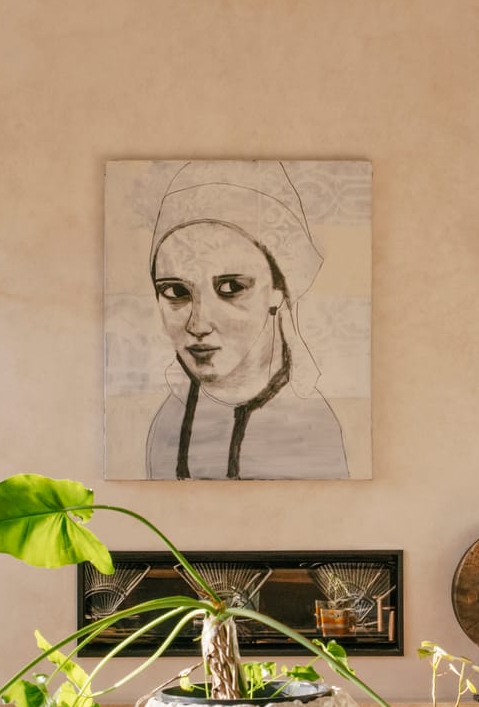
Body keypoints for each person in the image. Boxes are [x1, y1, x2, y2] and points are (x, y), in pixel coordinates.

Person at [142, 162, 349, 480]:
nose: (198, 324)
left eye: (231, 288)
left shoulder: (313, 431)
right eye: (175, 291)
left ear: (279, 291)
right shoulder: (166, 428)